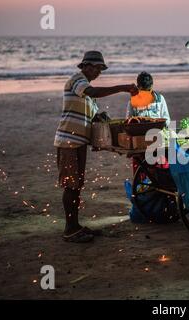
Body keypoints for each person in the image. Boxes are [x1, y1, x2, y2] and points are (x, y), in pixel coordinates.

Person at [54, 51, 138, 243]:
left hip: (80, 142)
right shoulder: (77, 80)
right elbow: (94, 92)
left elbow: (92, 117)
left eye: (101, 69)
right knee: (70, 185)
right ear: (87, 66)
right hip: (68, 141)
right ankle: (70, 230)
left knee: (77, 185)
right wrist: (123, 87)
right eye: (98, 68)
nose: (99, 72)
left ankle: (75, 226)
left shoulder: (86, 92)